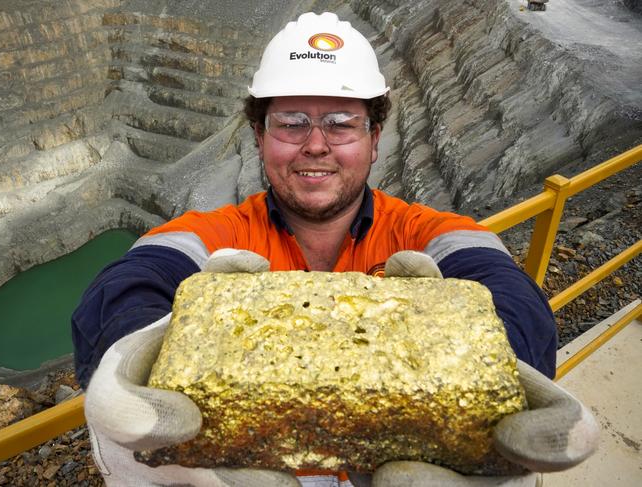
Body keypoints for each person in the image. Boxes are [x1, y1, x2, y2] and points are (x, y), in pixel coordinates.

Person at [74, 12, 598, 487]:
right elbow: (129, 282)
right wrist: (142, 340)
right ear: (259, 136)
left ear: (374, 138)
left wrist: (494, 373)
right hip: (245, 466)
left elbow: (507, 289)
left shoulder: (429, 234)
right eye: (292, 121)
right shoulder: (214, 234)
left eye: (341, 123)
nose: (316, 144)